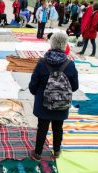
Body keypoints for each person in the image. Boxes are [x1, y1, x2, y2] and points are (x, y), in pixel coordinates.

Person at [29, 32, 79, 161]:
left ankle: (37, 154)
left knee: (42, 128)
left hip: (43, 104)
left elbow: (33, 85)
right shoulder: (70, 64)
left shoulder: (42, 63)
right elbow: (74, 87)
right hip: (61, 104)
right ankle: (56, 151)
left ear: (51, 43)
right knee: (58, 128)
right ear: (65, 44)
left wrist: (38, 94)